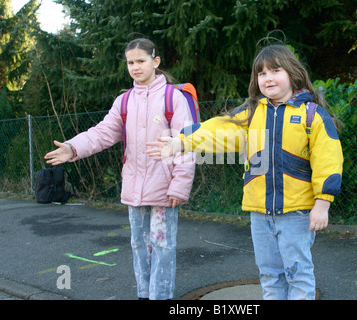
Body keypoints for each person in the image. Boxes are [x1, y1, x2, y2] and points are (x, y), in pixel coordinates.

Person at [146, 44, 343, 300]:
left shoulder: (311, 116)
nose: (268, 78)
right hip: (260, 215)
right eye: (261, 74)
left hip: (297, 214)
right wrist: (181, 141)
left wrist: (322, 203)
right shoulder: (251, 114)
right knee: (270, 277)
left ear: (293, 73)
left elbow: (328, 160)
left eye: (275, 70)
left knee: (298, 275)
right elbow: (217, 131)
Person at [44, 38, 195, 300]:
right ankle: (144, 294)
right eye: (130, 62)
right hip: (134, 187)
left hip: (165, 187)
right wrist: (73, 147)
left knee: (162, 245)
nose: (135, 67)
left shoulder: (174, 98)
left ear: (155, 62)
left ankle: (161, 296)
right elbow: (102, 133)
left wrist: (180, 186)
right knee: (139, 245)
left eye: (141, 61)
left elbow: (188, 143)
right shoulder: (124, 101)